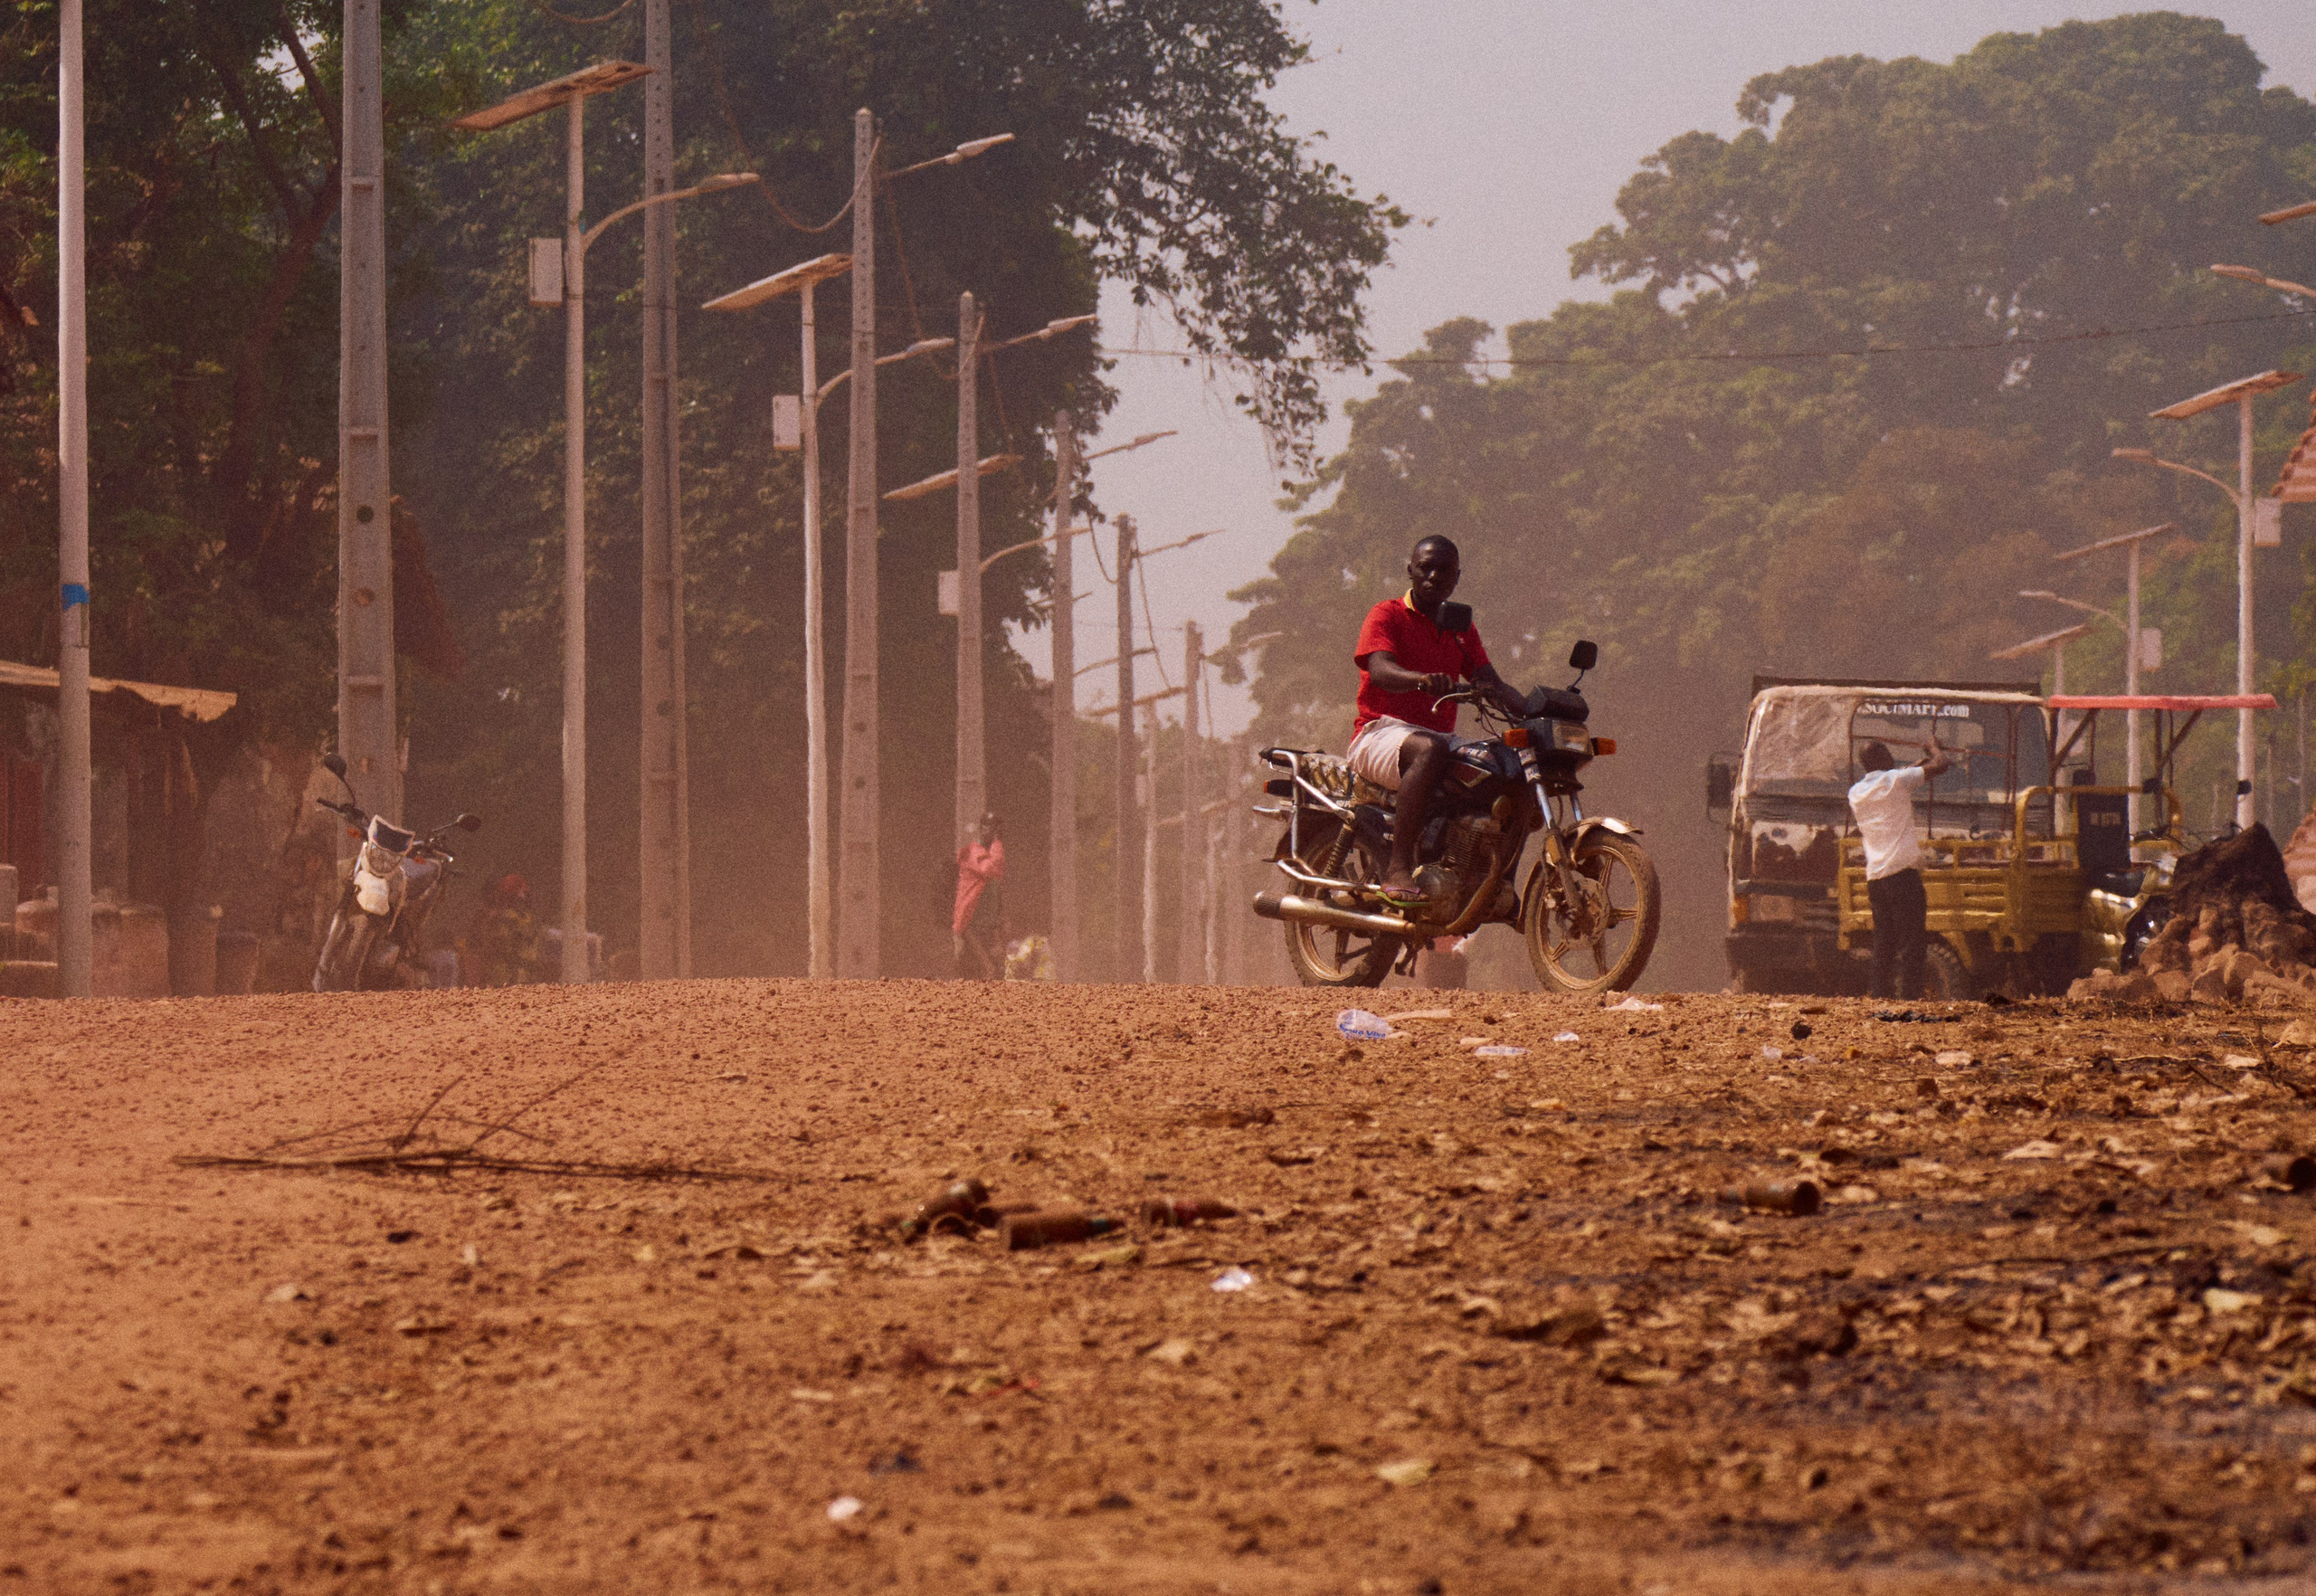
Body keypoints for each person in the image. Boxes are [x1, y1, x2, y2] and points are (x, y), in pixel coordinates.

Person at [1350, 536, 1527, 905]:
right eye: (1425, 567)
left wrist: (1538, 711)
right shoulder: (1386, 614)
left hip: (1439, 741)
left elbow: (1490, 682)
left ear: (1457, 577)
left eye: (1443, 570)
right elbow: (1381, 670)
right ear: (1410, 569)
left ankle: (1498, 883)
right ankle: (1397, 867)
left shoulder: (1461, 628)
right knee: (1430, 750)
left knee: (1514, 770)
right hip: (1379, 732)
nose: (1432, 576)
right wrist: (1420, 680)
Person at [1848, 735, 1952, 999]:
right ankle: (1910, 998)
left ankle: (1880, 996)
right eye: (1886, 751)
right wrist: (1933, 747)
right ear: (1882, 757)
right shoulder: (1896, 781)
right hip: (1902, 875)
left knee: (1884, 943)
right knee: (1912, 942)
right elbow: (1942, 765)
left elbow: (1900, 776)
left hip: (1876, 877)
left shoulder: (1857, 792)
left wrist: (1916, 765)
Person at [460, 871, 538, 987]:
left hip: (513, 979)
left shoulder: (522, 918)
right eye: (521, 893)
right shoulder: (494, 917)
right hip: (503, 980)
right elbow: (475, 950)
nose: (523, 897)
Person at [953, 812, 1005, 979]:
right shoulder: (973, 850)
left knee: (991, 930)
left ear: (996, 829)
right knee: (966, 928)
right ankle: (987, 966)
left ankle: (991, 968)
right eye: (984, 825)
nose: (986, 829)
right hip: (972, 896)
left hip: (989, 896)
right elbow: (975, 869)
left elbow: (992, 870)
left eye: (990, 826)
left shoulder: (998, 849)